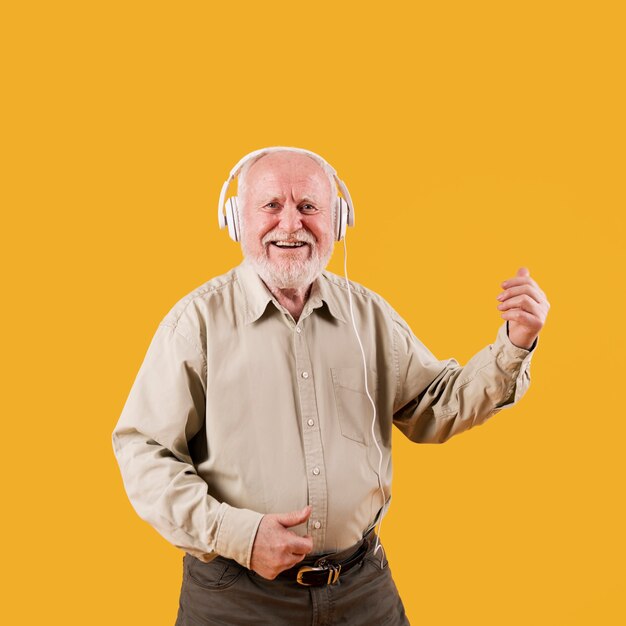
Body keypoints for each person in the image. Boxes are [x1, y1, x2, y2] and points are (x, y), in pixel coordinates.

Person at [112, 147, 549, 625]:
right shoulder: (195, 324)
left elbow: (436, 405)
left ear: (338, 220)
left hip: (361, 591)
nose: (291, 225)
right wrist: (238, 533)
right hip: (236, 599)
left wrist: (515, 342)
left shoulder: (368, 317)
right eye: (272, 205)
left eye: (308, 207)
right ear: (236, 219)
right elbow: (144, 452)